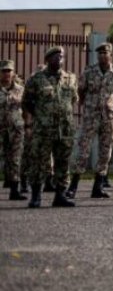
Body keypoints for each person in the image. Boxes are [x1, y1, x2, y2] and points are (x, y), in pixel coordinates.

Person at [23, 46, 79, 208]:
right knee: (39, 162)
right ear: (47, 60)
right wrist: (41, 116)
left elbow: (73, 99)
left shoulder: (70, 78)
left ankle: (60, 195)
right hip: (44, 129)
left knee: (63, 162)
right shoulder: (36, 79)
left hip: (65, 129)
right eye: (55, 57)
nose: (59, 59)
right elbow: (27, 102)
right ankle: (36, 196)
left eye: (61, 57)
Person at [69, 42, 113, 199]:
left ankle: (98, 187)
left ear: (111, 54)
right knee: (83, 149)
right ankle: (73, 187)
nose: (102, 55)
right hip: (91, 115)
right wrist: (88, 106)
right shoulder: (89, 71)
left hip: (109, 116)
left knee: (106, 151)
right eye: (100, 53)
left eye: (105, 53)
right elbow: (81, 91)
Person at [0, 60, 26, 201]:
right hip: (1, 129)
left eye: (9, 71)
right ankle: (8, 179)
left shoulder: (20, 89)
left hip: (16, 128)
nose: (7, 74)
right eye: (4, 71)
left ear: (13, 72)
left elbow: (26, 108)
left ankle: (14, 190)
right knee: (6, 158)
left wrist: (27, 126)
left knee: (16, 158)